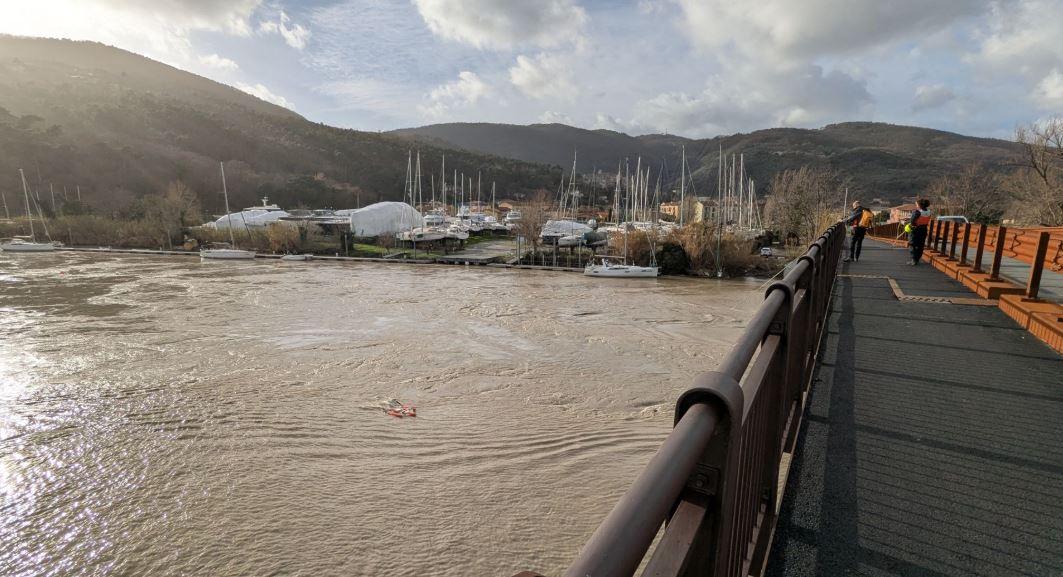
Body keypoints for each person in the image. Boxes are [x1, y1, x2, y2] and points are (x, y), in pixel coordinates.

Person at [905, 198, 932, 265]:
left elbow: (912, 222)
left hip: (915, 230)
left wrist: (907, 223)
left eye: (916, 204)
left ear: (920, 205)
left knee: (912, 244)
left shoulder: (917, 212)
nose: (916, 206)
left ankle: (913, 260)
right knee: (920, 245)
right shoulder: (928, 212)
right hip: (923, 229)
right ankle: (917, 259)